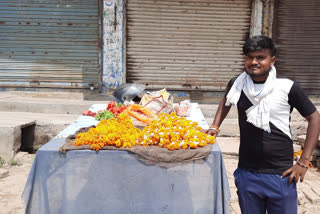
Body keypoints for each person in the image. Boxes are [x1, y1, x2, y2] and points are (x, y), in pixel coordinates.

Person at [204, 35, 320, 214]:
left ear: (272, 60)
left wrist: (304, 162)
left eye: (260, 57)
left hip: (281, 173)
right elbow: (226, 102)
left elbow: (314, 117)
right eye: (249, 57)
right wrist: (215, 126)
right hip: (247, 171)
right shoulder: (237, 84)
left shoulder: (287, 86)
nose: (254, 62)